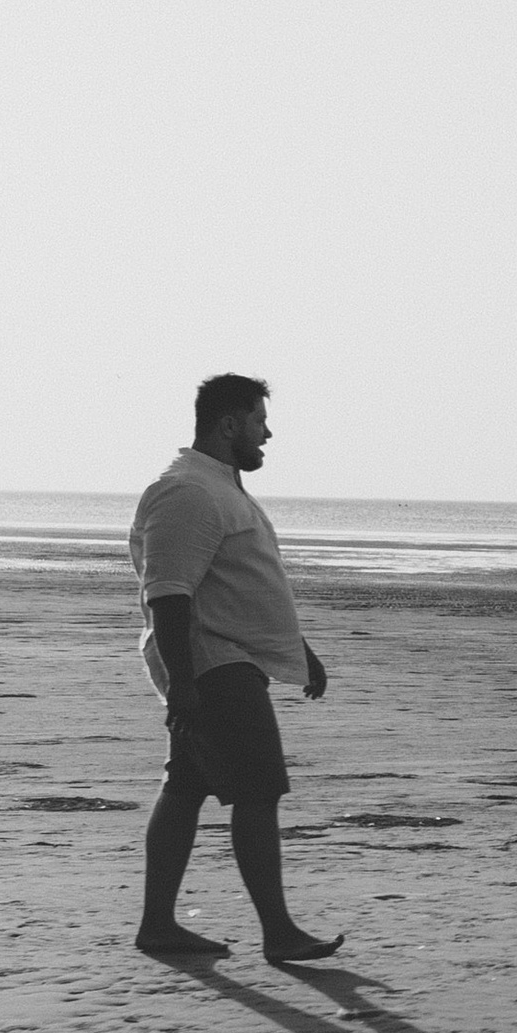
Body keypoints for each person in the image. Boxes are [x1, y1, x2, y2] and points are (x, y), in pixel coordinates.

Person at [128, 375, 342, 966]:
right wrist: (184, 685)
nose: (267, 432)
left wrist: (298, 650)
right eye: (258, 420)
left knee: (187, 785)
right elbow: (168, 594)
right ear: (229, 424)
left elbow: (240, 584)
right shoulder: (189, 493)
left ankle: (159, 925)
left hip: (228, 661)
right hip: (213, 666)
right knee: (258, 791)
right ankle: (278, 932)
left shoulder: (219, 489)